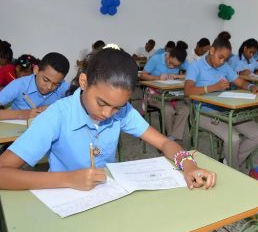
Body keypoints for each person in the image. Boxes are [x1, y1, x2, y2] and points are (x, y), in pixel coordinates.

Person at [0, 45, 216, 191]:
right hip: (63, 196)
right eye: (101, 103)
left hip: (107, 193)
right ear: (83, 82)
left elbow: (165, 142)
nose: (106, 114)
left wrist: (188, 164)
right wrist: (68, 179)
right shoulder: (57, 115)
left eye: (117, 107)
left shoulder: (122, 112)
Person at [184, 34, 258, 167]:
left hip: (227, 109)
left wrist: (251, 86)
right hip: (204, 112)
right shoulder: (196, 67)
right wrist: (214, 87)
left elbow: (239, 81)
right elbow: (187, 91)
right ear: (211, 50)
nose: (222, 62)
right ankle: (233, 169)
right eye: (220, 57)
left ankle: (229, 163)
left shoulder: (225, 67)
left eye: (225, 59)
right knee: (233, 138)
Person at [140, 42, 190, 141]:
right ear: (168, 54)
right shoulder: (156, 59)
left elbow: (192, 73)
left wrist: (177, 76)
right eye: (170, 63)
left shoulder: (182, 62)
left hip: (171, 93)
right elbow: (142, 75)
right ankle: (169, 137)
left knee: (185, 109)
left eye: (176, 66)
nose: (172, 67)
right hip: (153, 93)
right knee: (168, 109)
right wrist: (157, 78)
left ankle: (173, 136)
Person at [0, 52, 70, 120]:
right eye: (46, 80)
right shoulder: (19, 85)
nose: (49, 87)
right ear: (36, 70)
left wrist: (55, 107)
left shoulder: (63, 86)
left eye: (56, 84)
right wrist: (22, 114)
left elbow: (77, 105)